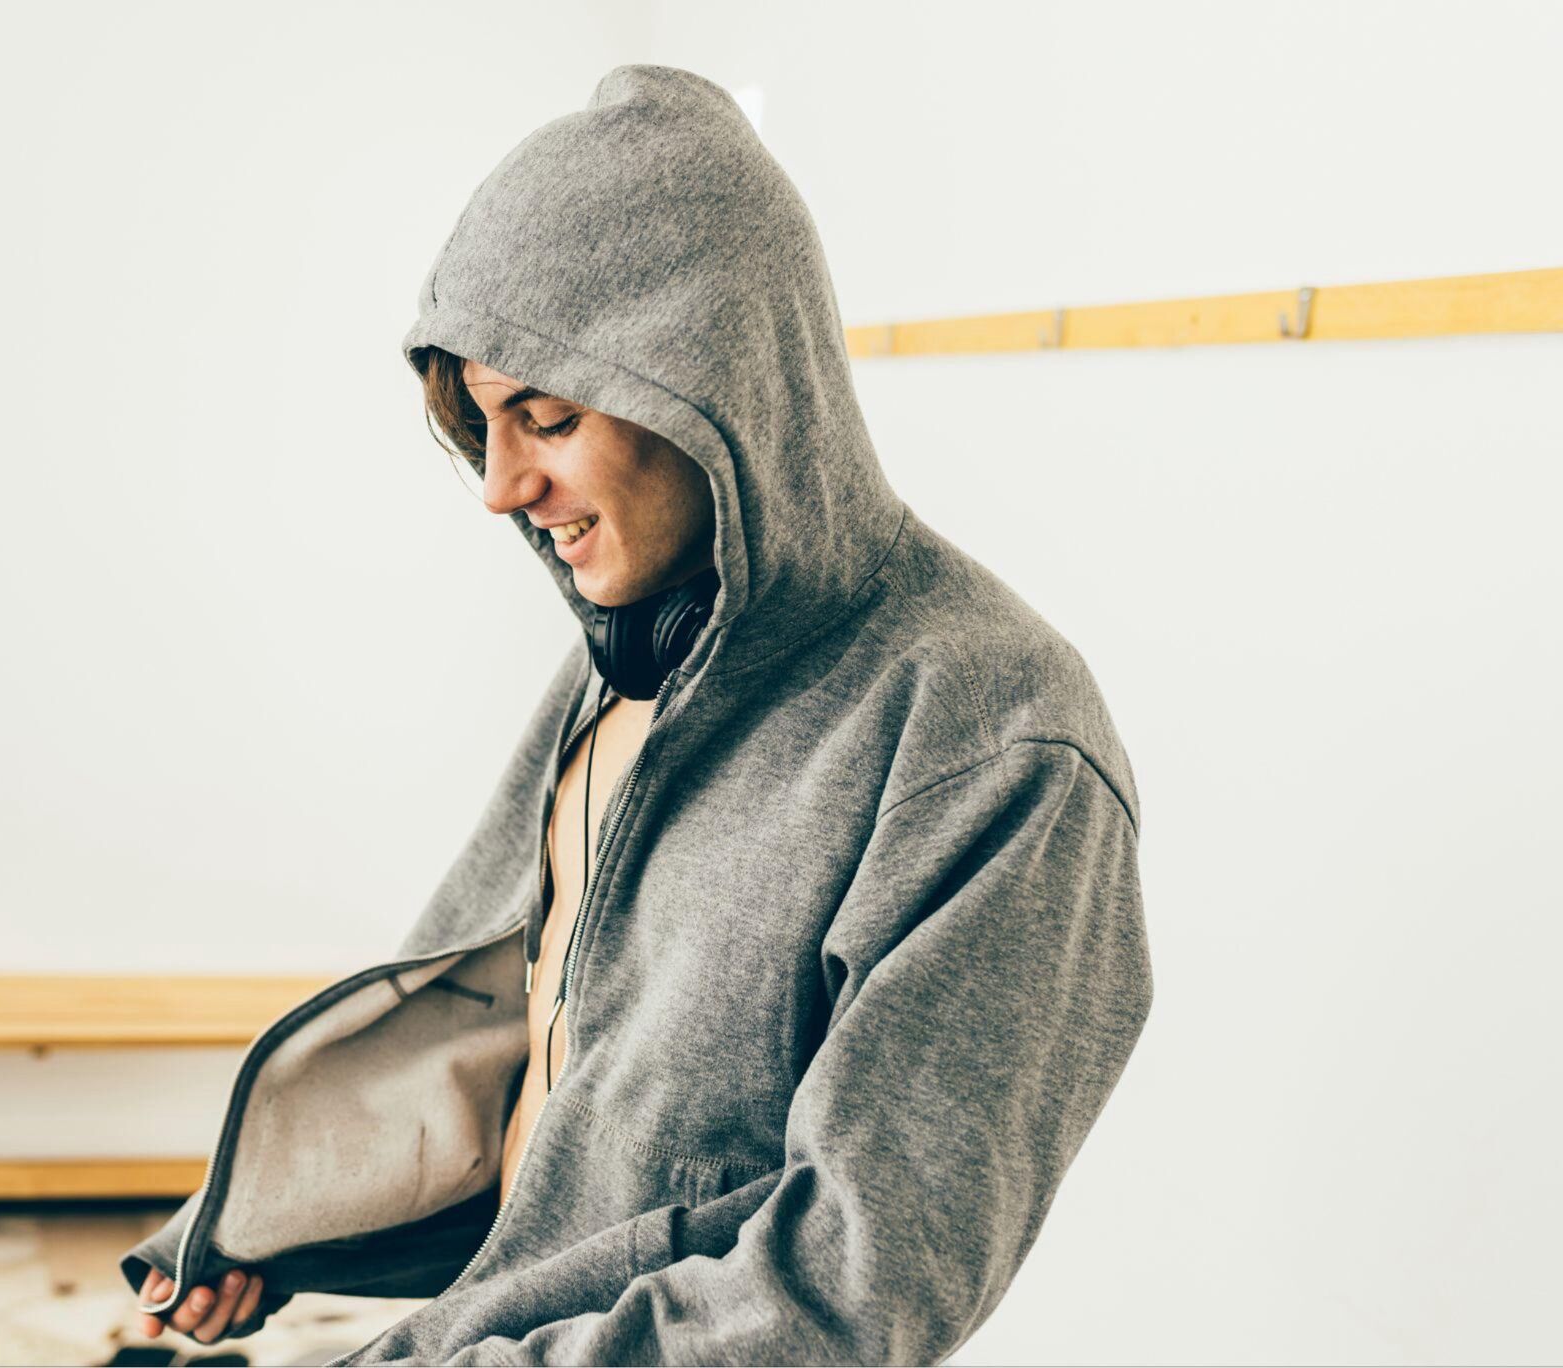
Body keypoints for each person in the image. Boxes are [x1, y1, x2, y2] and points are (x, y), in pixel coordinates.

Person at [124, 62, 1153, 1365]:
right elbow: (523, 1010)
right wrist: (273, 1220)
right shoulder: (632, 654)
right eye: (479, 423)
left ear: (710, 390)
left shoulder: (992, 736)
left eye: (545, 417)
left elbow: (852, 1294)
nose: (500, 487)